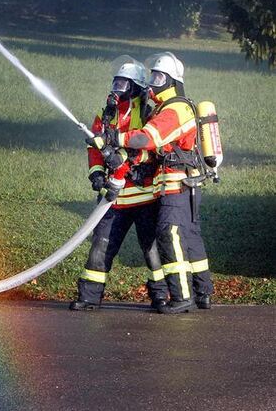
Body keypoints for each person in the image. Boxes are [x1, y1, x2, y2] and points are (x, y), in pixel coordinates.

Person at [89, 52, 214, 314]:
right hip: (165, 185)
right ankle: (202, 294)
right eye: (153, 77)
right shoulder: (155, 109)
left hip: (174, 184)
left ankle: (181, 297)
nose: (154, 83)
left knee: (170, 234)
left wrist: (116, 141)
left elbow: (147, 139)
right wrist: (100, 169)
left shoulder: (173, 109)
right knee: (189, 236)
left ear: (172, 81)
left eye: (159, 77)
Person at [71, 57, 167, 311]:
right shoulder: (105, 114)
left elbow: (150, 148)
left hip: (144, 194)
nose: (117, 88)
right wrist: (97, 174)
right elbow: (95, 148)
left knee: (152, 250)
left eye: (124, 83)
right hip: (114, 197)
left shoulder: (148, 113)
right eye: (116, 82)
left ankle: (162, 297)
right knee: (100, 246)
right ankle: (89, 297)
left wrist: (121, 160)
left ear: (136, 87)